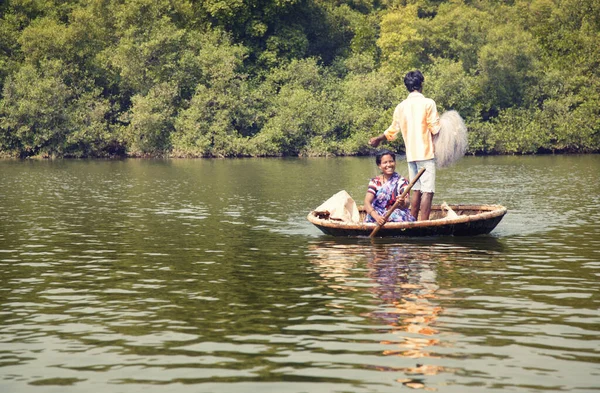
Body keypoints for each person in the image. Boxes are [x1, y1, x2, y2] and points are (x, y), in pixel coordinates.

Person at [369, 70, 441, 221]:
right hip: (426, 153)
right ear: (421, 85)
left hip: (411, 156)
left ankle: (412, 220)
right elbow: (435, 129)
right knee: (428, 191)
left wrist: (378, 138)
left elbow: (393, 131)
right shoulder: (429, 103)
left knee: (416, 189)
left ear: (407, 87)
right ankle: (422, 224)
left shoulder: (401, 107)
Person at [364, 150, 415, 225]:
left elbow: (407, 203)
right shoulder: (375, 182)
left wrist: (402, 202)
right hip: (378, 214)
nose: (389, 165)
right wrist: (376, 217)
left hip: (396, 213)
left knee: (397, 214)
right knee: (370, 215)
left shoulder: (402, 181)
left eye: (391, 161)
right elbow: (367, 202)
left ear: (395, 163)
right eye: (385, 162)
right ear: (379, 166)